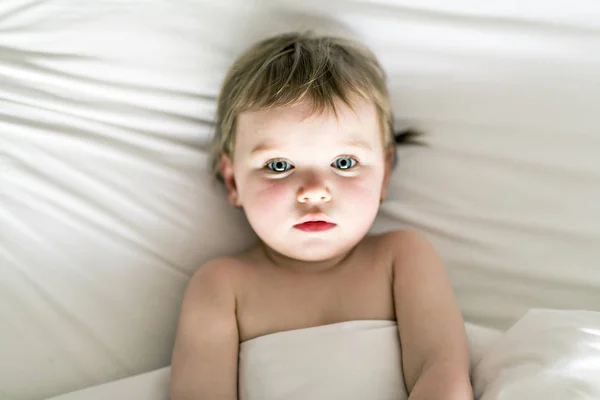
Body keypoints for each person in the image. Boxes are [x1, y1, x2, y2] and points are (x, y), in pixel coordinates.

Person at [170, 31, 472, 400]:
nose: (314, 189)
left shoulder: (401, 259)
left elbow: (442, 373)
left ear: (384, 173)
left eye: (344, 163)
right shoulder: (221, 287)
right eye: (279, 165)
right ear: (234, 181)